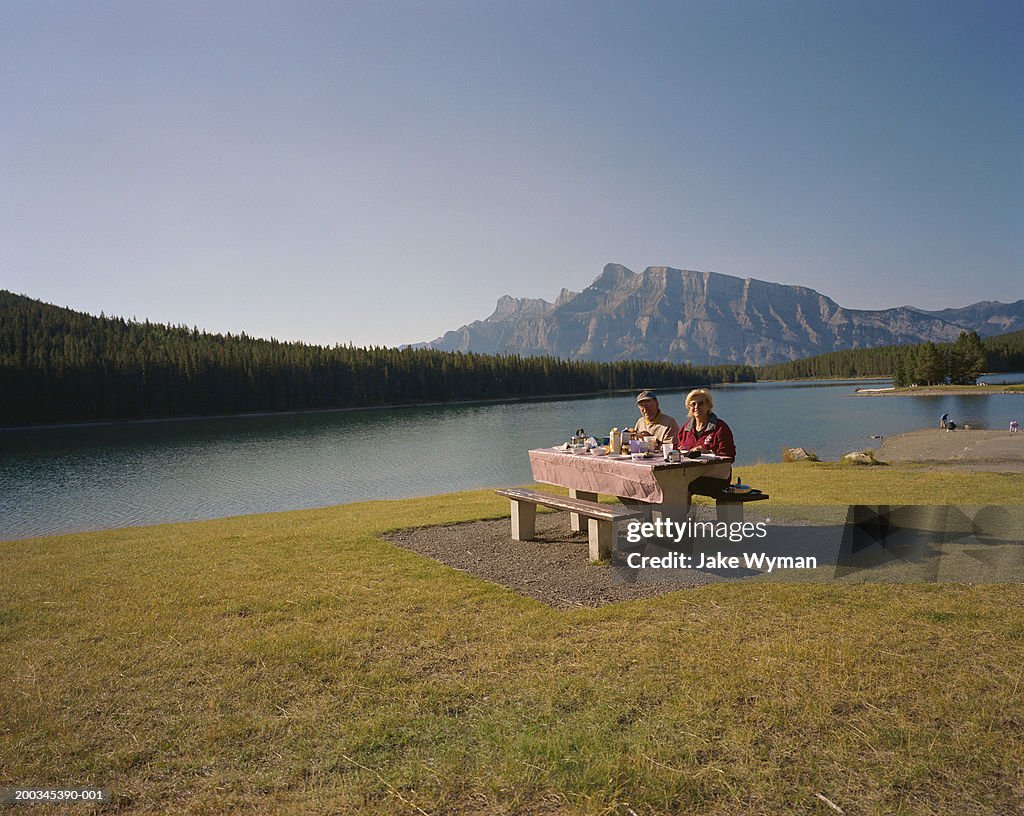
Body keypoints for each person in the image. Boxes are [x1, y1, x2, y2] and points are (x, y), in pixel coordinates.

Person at [675, 388, 736, 498]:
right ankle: (678, 514)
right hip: (690, 475)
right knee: (669, 483)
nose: (696, 407)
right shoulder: (684, 429)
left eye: (701, 403)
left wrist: (707, 452)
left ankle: (683, 515)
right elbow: (677, 450)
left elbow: (730, 457)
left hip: (717, 477)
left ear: (709, 406)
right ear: (689, 407)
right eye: (693, 404)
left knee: (682, 485)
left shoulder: (720, 428)